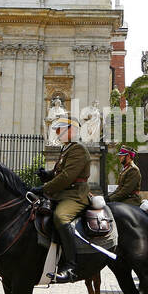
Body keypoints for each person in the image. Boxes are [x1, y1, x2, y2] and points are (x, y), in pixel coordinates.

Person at [42, 116, 91, 283]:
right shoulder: (66, 149)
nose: (56, 132)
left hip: (75, 195)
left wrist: (44, 188)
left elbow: (67, 177)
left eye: (60, 129)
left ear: (72, 131)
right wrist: (46, 175)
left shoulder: (78, 149)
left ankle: (70, 265)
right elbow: (59, 173)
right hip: (62, 193)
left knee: (60, 217)